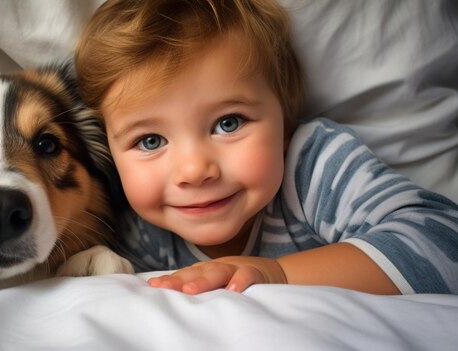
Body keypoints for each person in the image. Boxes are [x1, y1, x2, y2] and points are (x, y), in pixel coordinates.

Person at [74, 0, 458, 295]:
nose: (194, 170)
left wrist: (278, 273)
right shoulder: (144, 231)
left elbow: (444, 242)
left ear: (285, 121)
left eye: (229, 123)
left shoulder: (312, 166)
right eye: (150, 141)